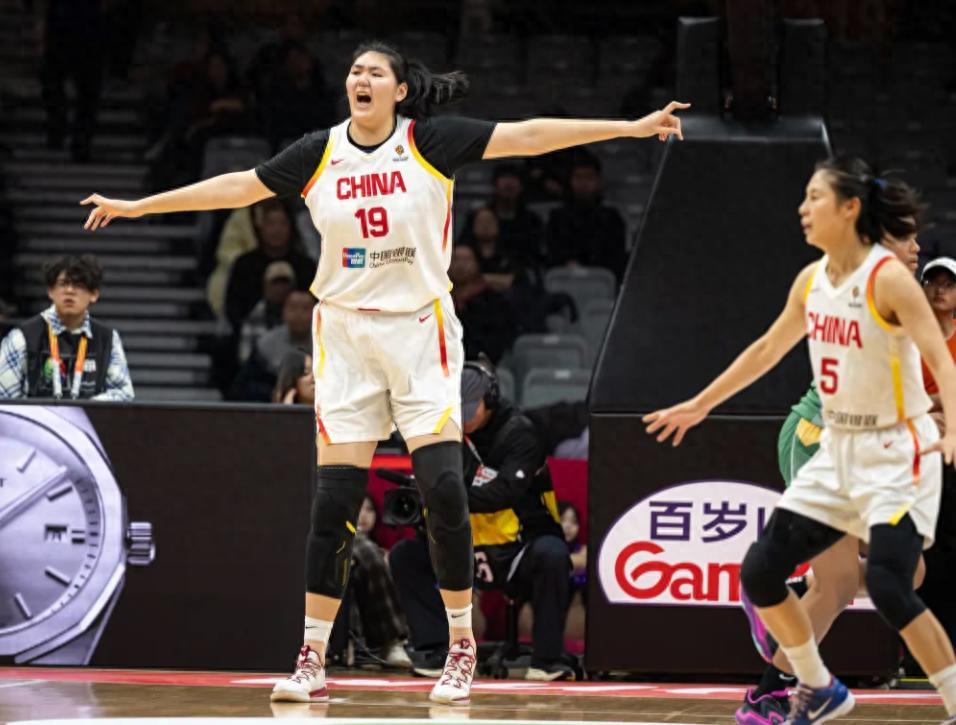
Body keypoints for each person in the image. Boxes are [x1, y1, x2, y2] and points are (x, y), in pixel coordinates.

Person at [80, 38, 688, 704]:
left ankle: (461, 648)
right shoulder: (319, 151)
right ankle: (311, 657)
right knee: (333, 503)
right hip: (344, 335)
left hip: (418, 330)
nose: (360, 78)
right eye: (354, 71)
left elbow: (528, 135)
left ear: (399, 90)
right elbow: (239, 185)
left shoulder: (431, 142)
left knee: (445, 491)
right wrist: (140, 206)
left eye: (374, 72)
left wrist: (629, 127)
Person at [645, 156, 956, 725]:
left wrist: (948, 424)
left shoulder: (892, 282)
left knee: (899, 580)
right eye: (806, 197)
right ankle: (795, 687)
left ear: (850, 211)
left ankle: (804, 630)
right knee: (814, 581)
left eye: (815, 198)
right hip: (826, 438)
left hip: (887, 452)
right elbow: (767, 349)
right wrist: (702, 403)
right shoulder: (815, 280)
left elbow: (938, 363)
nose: (803, 209)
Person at [735, 221, 927, 723]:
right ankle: (768, 697)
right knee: (839, 584)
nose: (917, 246)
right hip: (819, 439)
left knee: (907, 573)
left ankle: (784, 597)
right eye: (905, 236)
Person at [389, 358, 574, 681]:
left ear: (489, 399)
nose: (461, 418)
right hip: (466, 542)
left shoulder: (521, 434)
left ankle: (547, 661)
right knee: (406, 555)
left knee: (553, 555)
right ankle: (435, 652)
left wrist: (446, 498)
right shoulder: (445, 429)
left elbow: (504, 492)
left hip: (520, 545)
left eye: (467, 409)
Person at [0, 255, 133, 401]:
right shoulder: (22, 337)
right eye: (63, 284)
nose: (70, 290)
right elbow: (3, 397)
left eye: (79, 285)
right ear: (50, 291)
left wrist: (83, 409)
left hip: (86, 416)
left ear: (94, 294)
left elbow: (124, 394)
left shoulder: (108, 338)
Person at [224, 199, 314, 331]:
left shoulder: (305, 266)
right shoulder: (244, 265)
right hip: (252, 331)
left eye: (282, 224)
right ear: (260, 228)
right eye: (271, 224)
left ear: (291, 228)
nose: (277, 230)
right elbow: (234, 309)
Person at [544, 151, 628, 282]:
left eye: (589, 177)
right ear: (570, 181)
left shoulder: (612, 218)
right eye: (578, 177)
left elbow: (617, 260)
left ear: (599, 181)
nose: (583, 183)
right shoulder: (557, 218)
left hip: (603, 284)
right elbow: (552, 256)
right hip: (565, 281)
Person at [230, 290, 313, 402]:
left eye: (305, 308)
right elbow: (244, 385)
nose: (299, 314)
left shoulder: (329, 343)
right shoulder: (266, 343)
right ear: (283, 312)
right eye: (293, 308)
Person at [449, 244, 516, 363]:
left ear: (476, 265)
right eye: (455, 259)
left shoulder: (493, 302)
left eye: (466, 260)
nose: (460, 265)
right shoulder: (436, 299)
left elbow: (497, 340)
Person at [238, 261, 297, 363]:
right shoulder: (254, 317)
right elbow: (245, 356)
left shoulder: (305, 317)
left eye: (284, 282)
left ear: (293, 287)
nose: (280, 288)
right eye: (275, 282)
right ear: (265, 286)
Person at [558, 501, 587, 607]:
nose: (568, 526)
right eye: (562, 520)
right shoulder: (541, 550)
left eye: (574, 522)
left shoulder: (584, 551)